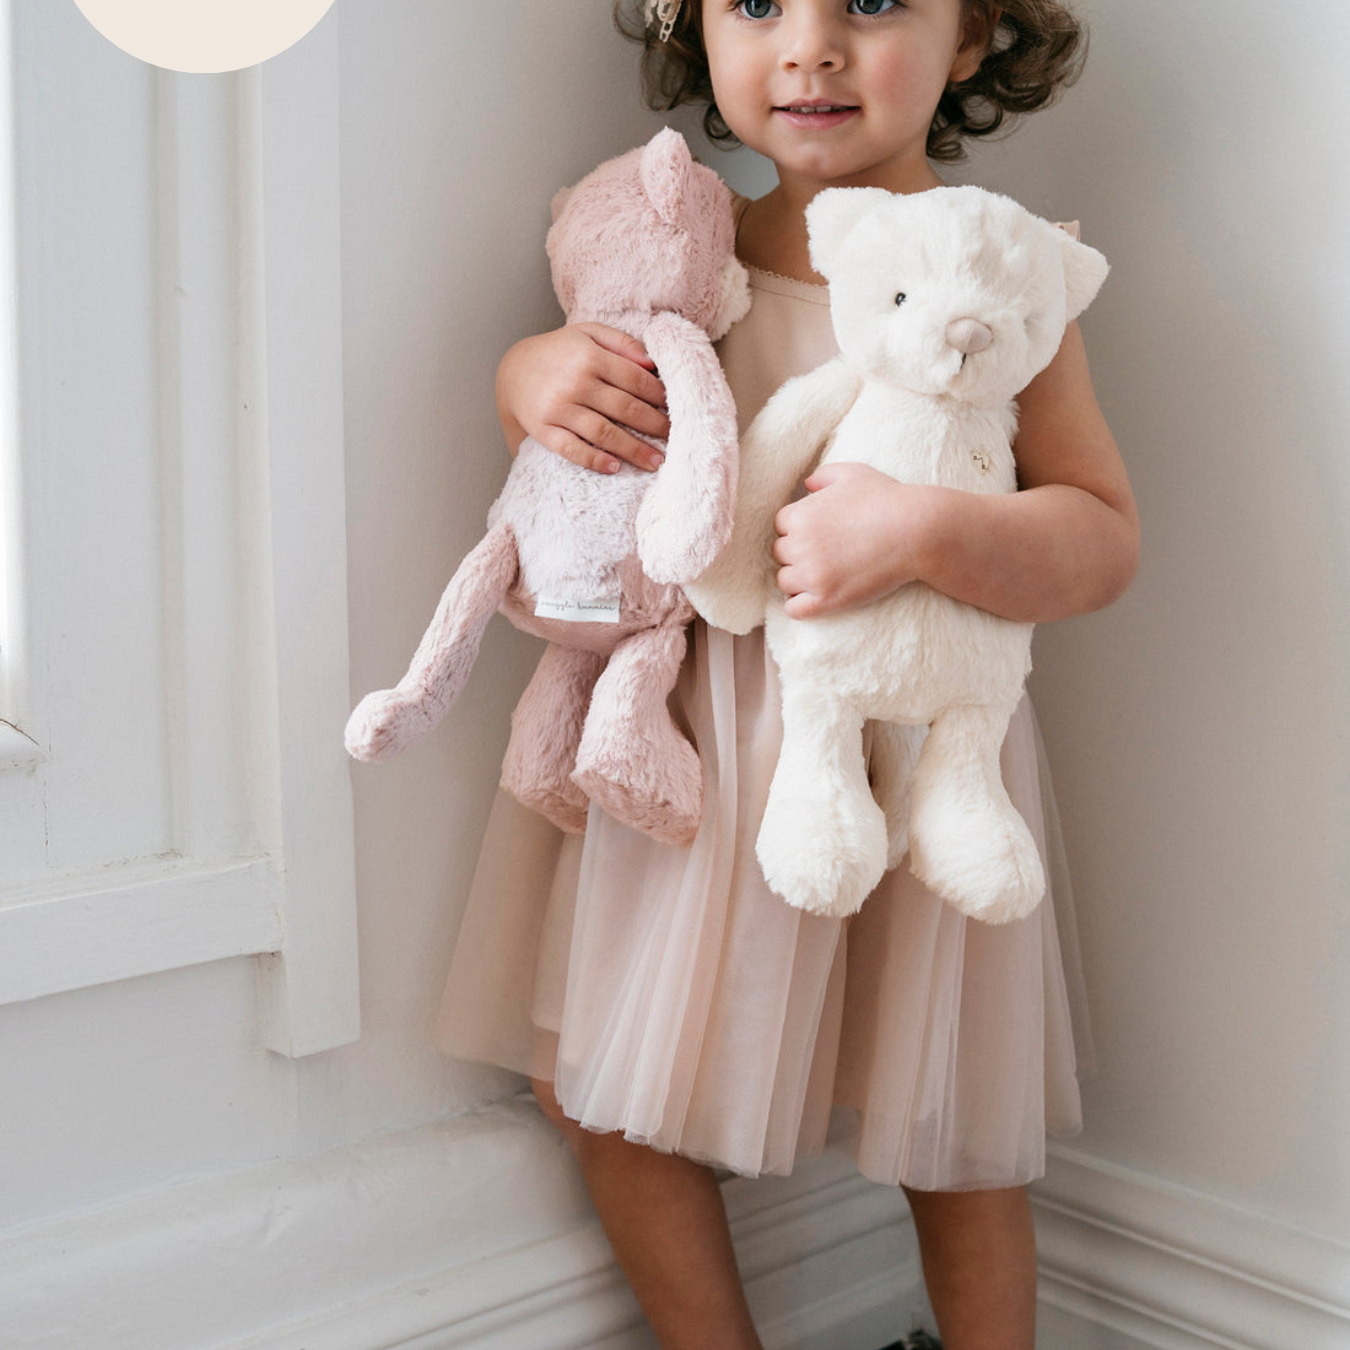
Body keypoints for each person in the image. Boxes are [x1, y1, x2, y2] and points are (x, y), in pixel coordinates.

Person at [435, 2, 1140, 1347]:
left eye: (870, 0)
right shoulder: (680, 252)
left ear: (976, 34)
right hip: (695, 758)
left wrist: (926, 530)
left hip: (907, 758)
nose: (808, 44)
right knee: (597, 1087)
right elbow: (590, 419)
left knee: (949, 1123)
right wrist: (526, 375)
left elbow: (1101, 534)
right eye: (757, 2)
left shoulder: (995, 271)